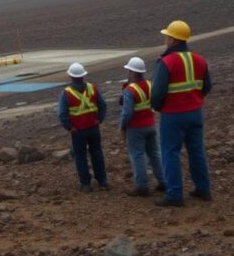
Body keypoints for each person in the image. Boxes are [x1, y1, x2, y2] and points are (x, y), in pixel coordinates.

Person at [152, 20, 212, 207]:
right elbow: (206, 86)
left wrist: (158, 107)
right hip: (194, 112)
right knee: (196, 151)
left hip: (173, 114)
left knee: (170, 152)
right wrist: (194, 99)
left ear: (172, 39)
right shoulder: (199, 59)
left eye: (166, 36)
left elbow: (157, 92)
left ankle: (174, 194)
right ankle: (203, 189)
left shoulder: (166, 62)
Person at [57, 62, 109, 192]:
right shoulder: (92, 88)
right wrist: (99, 119)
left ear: (71, 76)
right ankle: (102, 181)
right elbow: (103, 105)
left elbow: (62, 114)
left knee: (80, 156)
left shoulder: (67, 93)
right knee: (97, 153)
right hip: (93, 127)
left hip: (78, 130)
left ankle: (86, 183)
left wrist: (69, 127)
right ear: (83, 75)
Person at [119, 57, 165, 197]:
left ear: (133, 72)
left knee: (137, 155)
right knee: (155, 154)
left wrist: (123, 127)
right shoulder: (150, 85)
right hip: (151, 124)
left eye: (129, 71)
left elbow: (127, 113)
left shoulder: (130, 90)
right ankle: (163, 181)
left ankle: (142, 186)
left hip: (136, 128)